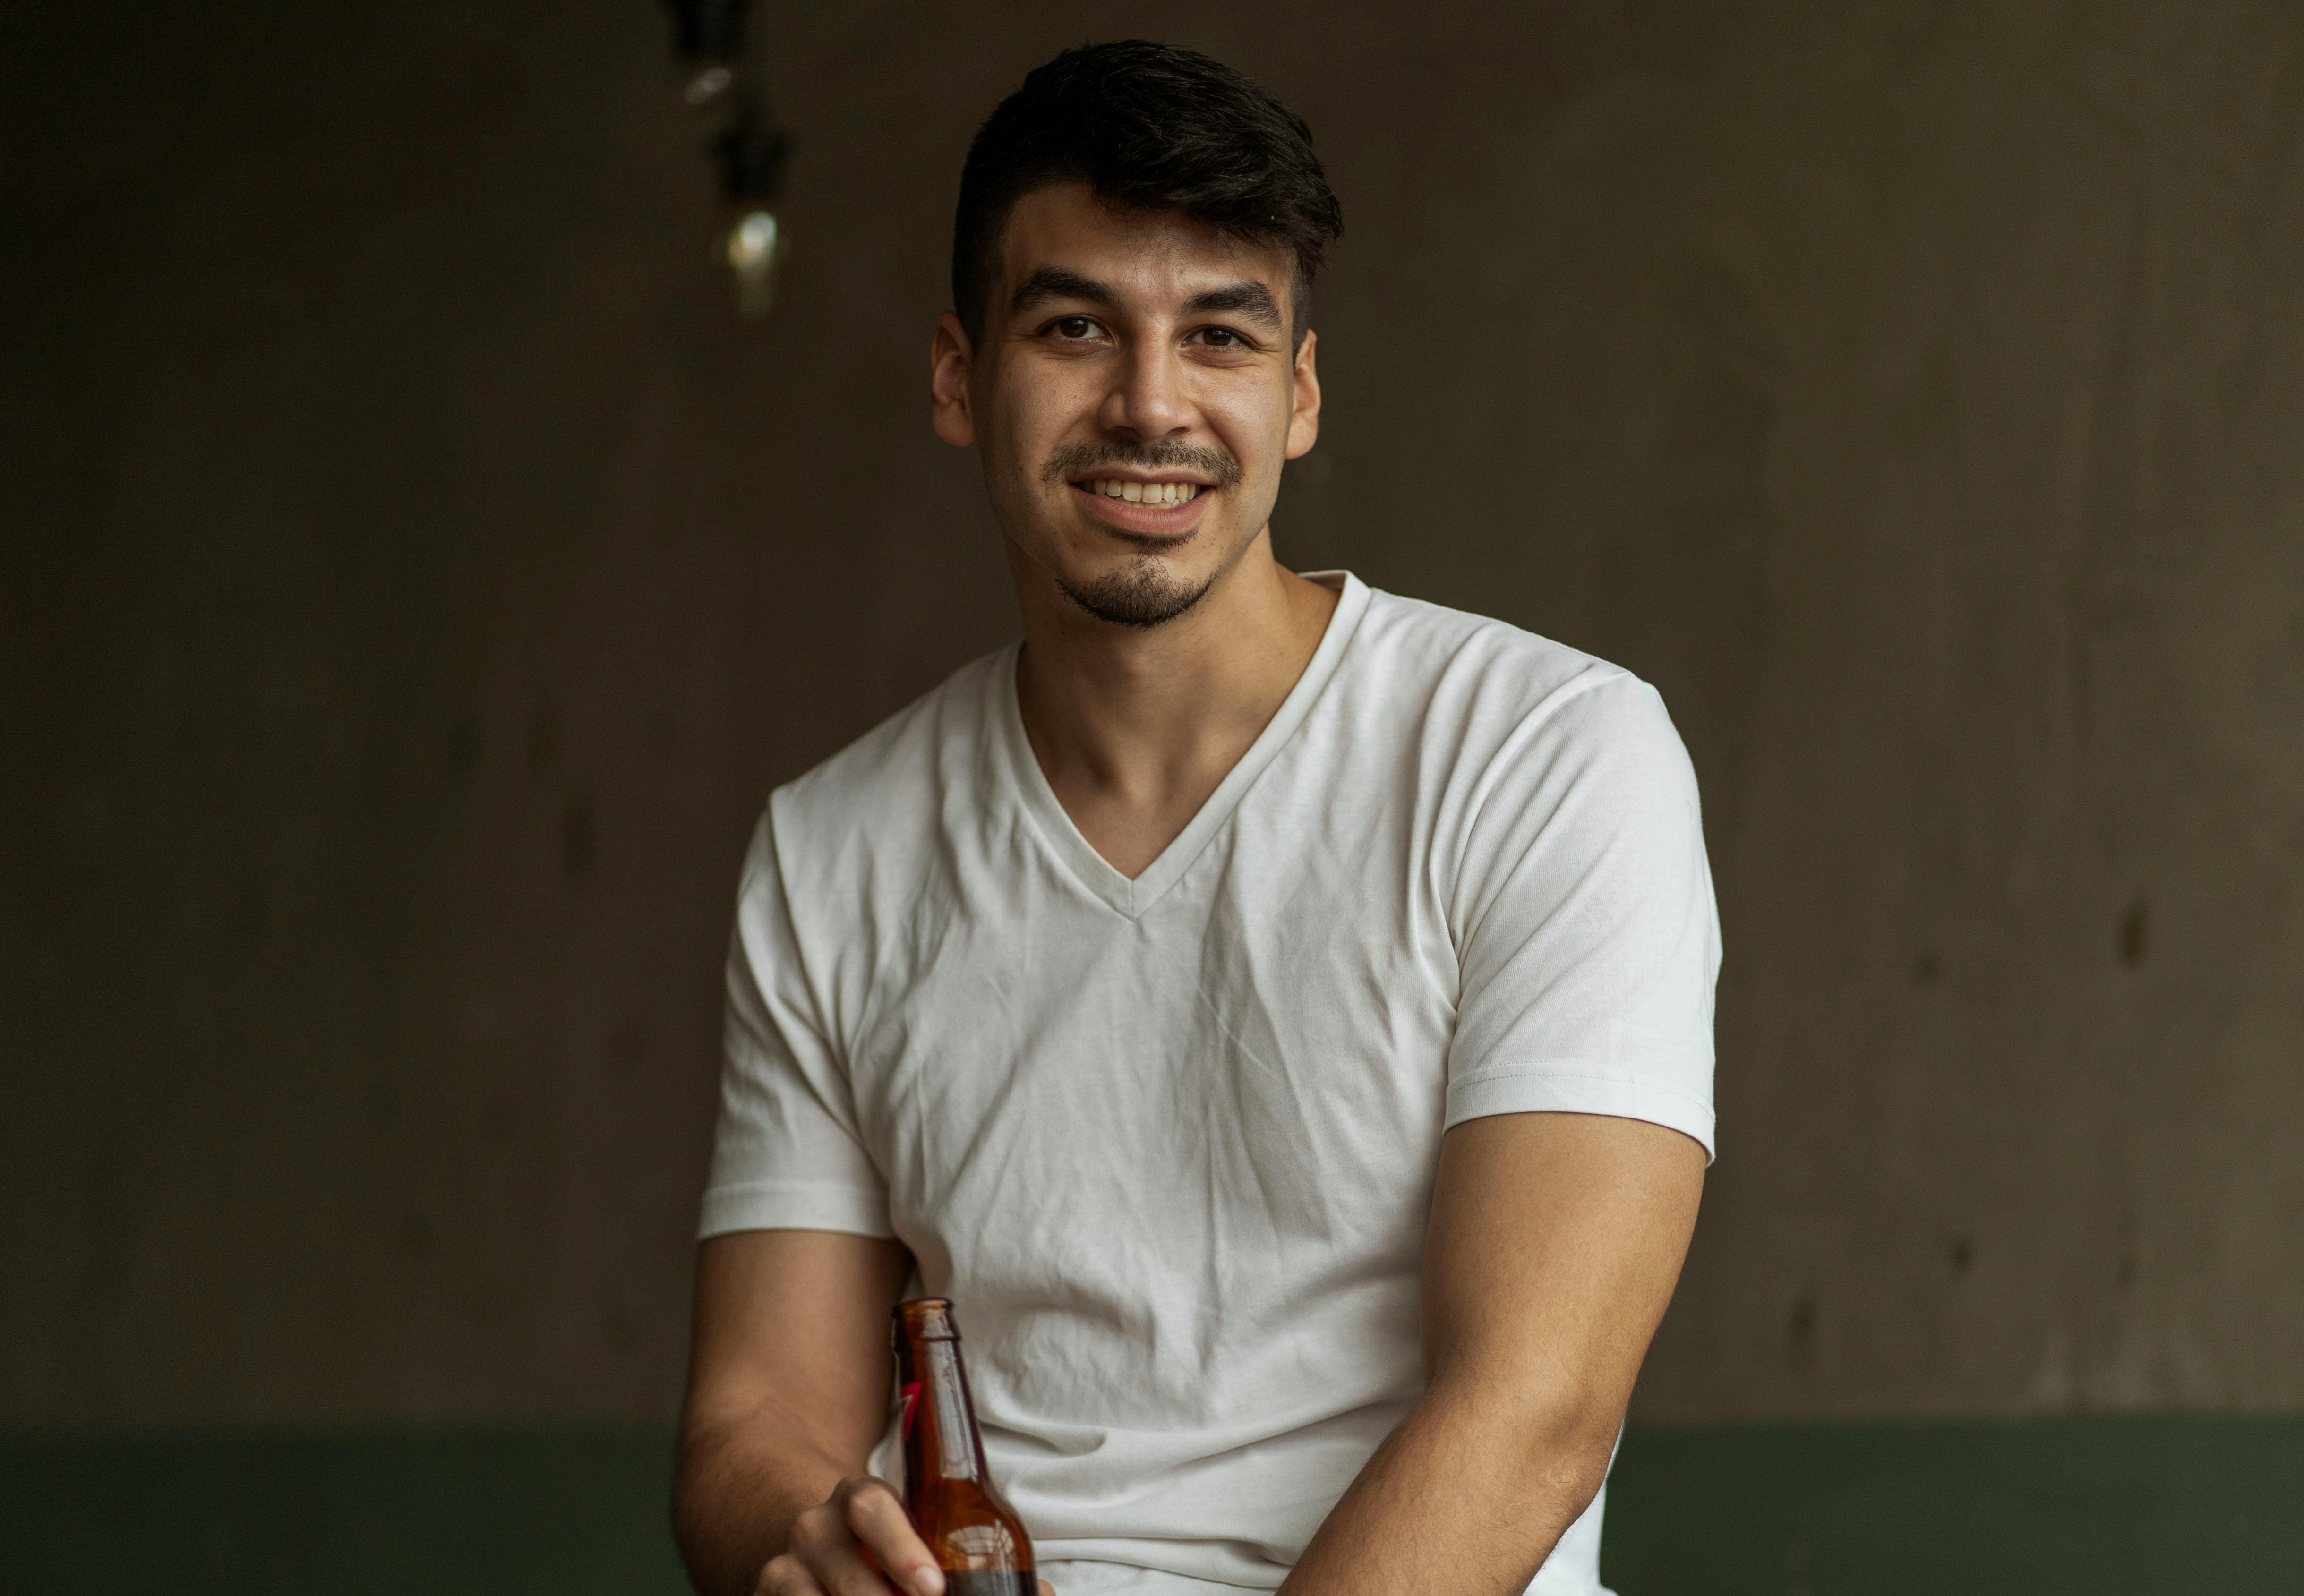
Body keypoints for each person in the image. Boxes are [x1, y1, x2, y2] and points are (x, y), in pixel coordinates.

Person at [672, 39, 1717, 1596]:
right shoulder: (833, 849)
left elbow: (1534, 1414)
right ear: (962, 377)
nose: (1150, 403)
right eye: (1079, 325)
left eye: (1220, 336)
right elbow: (757, 1417)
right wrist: (813, 1536)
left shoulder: (1544, 753)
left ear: (1298, 396)